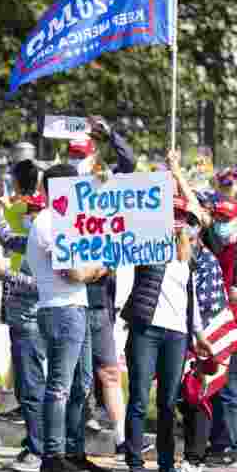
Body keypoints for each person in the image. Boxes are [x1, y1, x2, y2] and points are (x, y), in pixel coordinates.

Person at [26, 163, 113, 472]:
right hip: (61, 309)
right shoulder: (49, 222)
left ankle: (75, 452)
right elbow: (73, 272)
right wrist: (98, 270)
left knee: (81, 384)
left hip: (76, 307)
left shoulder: (66, 220)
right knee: (60, 386)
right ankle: (53, 454)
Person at [122, 196, 214, 472]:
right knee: (138, 398)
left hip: (177, 334)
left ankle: (165, 467)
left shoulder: (190, 255)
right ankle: (136, 465)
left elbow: (192, 300)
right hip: (147, 329)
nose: (179, 220)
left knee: (167, 403)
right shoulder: (147, 244)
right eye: (173, 214)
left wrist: (199, 334)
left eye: (183, 216)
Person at [67, 117, 136, 452]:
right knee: (71, 378)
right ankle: (68, 441)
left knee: (109, 372)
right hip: (69, 301)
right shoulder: (65, 198)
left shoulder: (111, 192)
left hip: (98, 304)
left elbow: (130, 164)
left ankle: (122, 437)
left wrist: (111, 135)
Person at [167, 151, 228, 472]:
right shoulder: (176, 251)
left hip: (210, 330)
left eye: (187, 218)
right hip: (186, 328)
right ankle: (190, 455)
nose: (183, 224)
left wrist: (177, 172)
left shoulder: (207, 247)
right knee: (185, 397)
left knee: (198, 396)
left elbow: (201, 216)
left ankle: (195, 460)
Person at [0, 188, 47, 472]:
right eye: (28, 212)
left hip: (33, 322)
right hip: (20, 322)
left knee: (33, 388)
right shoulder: (33, 240)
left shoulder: (48, 244)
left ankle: (38, 449)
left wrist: (5, 275)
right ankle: (34, 444)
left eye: (34, 211)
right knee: (24, 388)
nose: (29, 217)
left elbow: (41, 286)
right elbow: (7, 238)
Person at [206, 199, 237, 469]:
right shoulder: (223, 250)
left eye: (225, 220)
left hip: (231, 323)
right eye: (218, 219)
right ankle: (219, 442)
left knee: (229, 388)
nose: (219, 224)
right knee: (217, 386)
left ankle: (231, 445)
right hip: (219, 322)